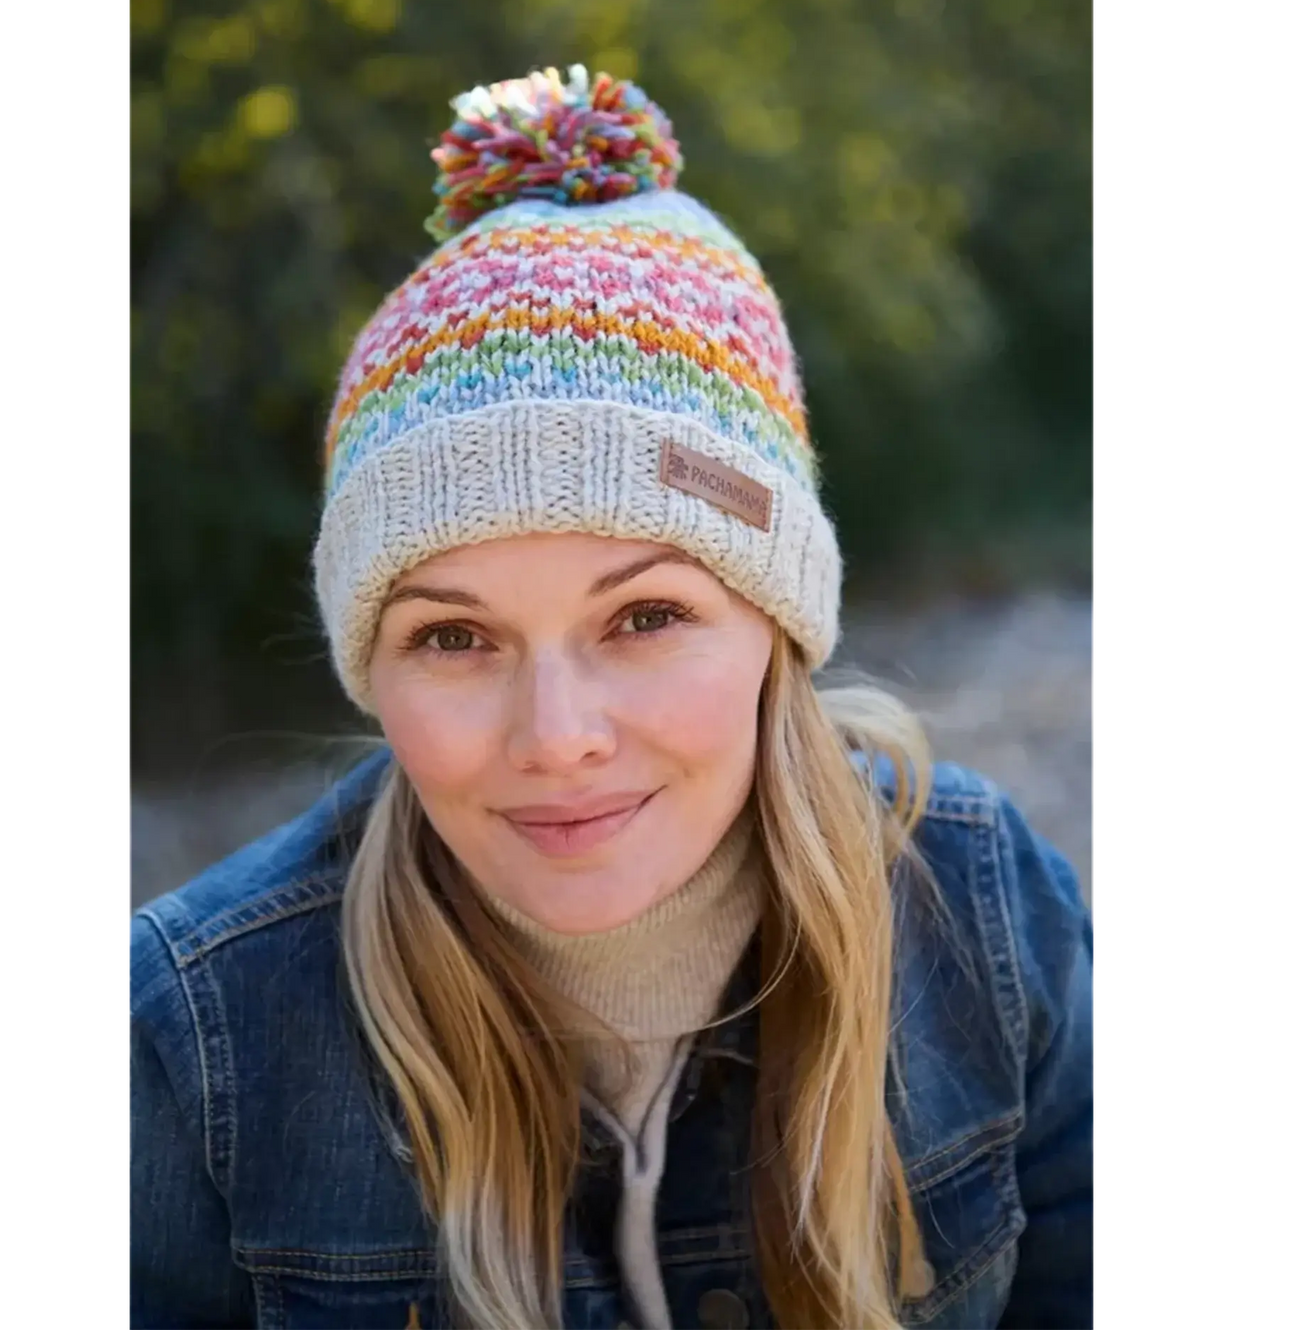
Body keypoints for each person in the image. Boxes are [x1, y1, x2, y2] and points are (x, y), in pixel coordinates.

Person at [127, 66, 1095, 1330]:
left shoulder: (983, 909)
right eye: (455, 634)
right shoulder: (198, 1035)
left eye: (644, 616)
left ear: (775, 626)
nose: (558, 735)